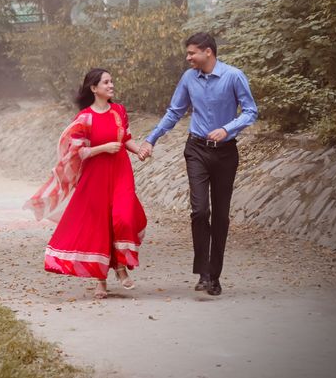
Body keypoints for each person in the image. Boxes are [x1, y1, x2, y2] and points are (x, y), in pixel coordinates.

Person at [138, 32, 258, 297]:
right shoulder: (189, 78)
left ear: (208, 52)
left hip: (226, 152)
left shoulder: (233, 76)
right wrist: (151, 139)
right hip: (196, 150)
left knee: (221, 215)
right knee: (200, 210)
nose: (188, 57)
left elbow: (251, 111)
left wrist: (227, 129)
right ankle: (203, 273)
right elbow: (175, 111)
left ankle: (214, 276)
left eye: (192, 52)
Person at [25, 68, 147, 300]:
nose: (111, 86)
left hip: (121, 172)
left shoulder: (119, 111)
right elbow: (77, 152)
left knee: (123, 217)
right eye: (106, 82)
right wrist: (103, 148)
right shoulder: (84, 118)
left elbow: (127, 139)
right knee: (100, 226)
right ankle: (101, 281)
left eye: (112, 82)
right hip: (95, 177)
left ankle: (120, 267)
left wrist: (139, 150)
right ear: (94, 88)